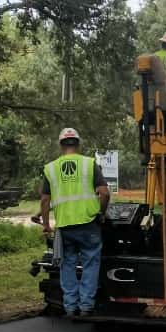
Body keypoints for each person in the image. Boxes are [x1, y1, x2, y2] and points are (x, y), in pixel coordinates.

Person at [40, 128, 111, 321]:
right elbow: (104, 193)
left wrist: (46, 225)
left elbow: (45, 200)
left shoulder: (51, 168)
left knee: (67, 264)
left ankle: (70, 307)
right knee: (90, 262)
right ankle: (86, 306)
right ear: (78, 144)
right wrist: (101, 213)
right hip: (88, 223)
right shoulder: (89, 164)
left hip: (64, 226)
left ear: (61, 145)